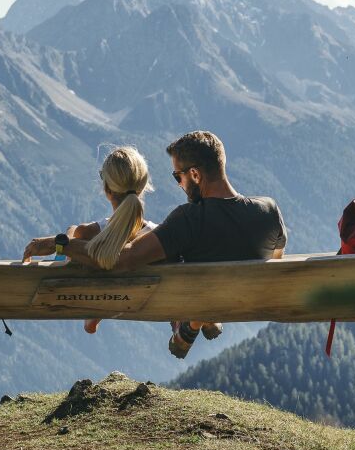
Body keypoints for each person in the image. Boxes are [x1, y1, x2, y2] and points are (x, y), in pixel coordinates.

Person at [52, 130, 288, 358]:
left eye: (178, 177)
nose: (179, 184)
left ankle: (194, 321)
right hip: (255, 301)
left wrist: (62, 244)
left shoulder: (188, 219)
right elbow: (276, 258)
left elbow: (123, 260)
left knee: (165, 255)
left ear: (195, 175)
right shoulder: (269, 209)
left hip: (202, 300)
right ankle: (198, 321)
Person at [21, 145, 156, 334]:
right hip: (149, 298)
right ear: (142, 186)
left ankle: (95, 312)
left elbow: (79, 251)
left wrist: (63, 239)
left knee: (74, 243)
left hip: (97, 295)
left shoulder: (87, 235)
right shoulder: (158, 238)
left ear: (108, 190)